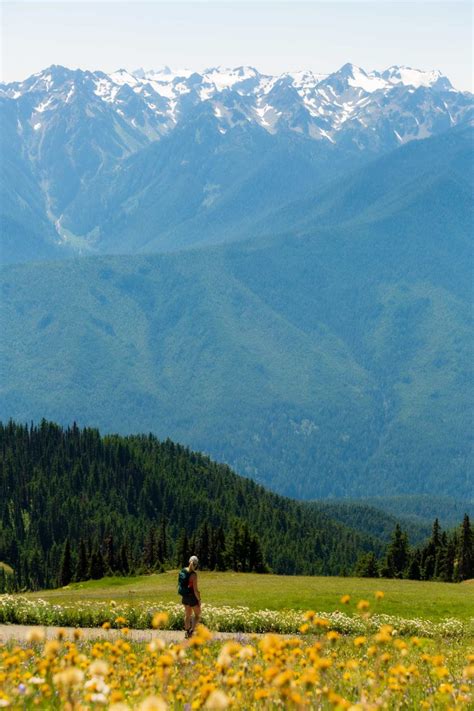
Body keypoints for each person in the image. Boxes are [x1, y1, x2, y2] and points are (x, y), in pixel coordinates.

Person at [179, 555, 201, 638]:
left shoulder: (183, 570)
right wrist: (199, 600)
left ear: (189, 562)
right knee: (197, 615)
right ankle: (191, 631)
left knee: (187, 615)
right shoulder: (194, 575)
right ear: (196, 564)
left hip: (184, 596)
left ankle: (187, 632)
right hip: (192, 597)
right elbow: (195, 590)